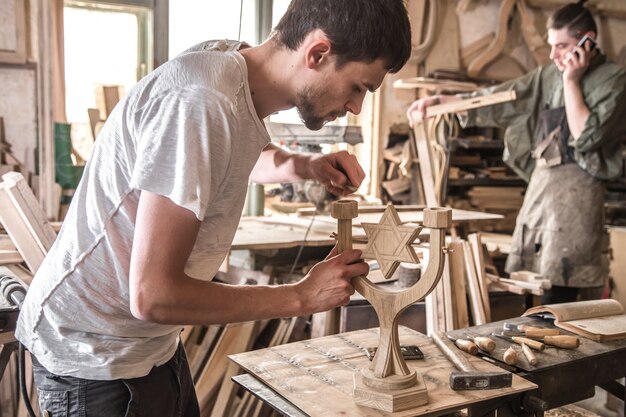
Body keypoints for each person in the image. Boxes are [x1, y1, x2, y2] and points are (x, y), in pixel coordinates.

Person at [16, 1, 412, 416]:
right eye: (359, 87)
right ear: (317, 53)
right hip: (95, 355)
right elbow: (153, 296)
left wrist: (304, 166)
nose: (356, 108)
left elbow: (222, 153)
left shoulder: (230, 65)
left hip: (151, 344)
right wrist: (299, 297)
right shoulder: (201, 100)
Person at [407, 1, 626, 305]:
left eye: (561, 46)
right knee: (527, 286)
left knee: (561, 297)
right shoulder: (548, 75)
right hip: (540, 195)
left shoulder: (613, 80)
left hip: (578, 206)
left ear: (586, 40)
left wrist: (571, 81)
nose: (553, 56)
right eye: (551, 46)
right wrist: (446, 101)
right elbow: (504, 97)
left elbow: (585, 136)